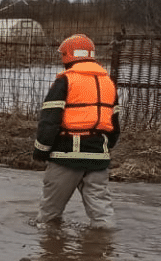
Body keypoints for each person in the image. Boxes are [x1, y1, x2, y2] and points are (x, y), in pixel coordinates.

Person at [34, 34, 120, 229]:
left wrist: (41, 150)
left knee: (48, 216)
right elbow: (114, 126)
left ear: (68, 55)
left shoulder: (65, 81)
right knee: (102, 215)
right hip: (98, 155)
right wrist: (104, 146)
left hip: (66, 155)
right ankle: (103, 245)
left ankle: (51, 244)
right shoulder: (108, 82)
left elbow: (50, 120)